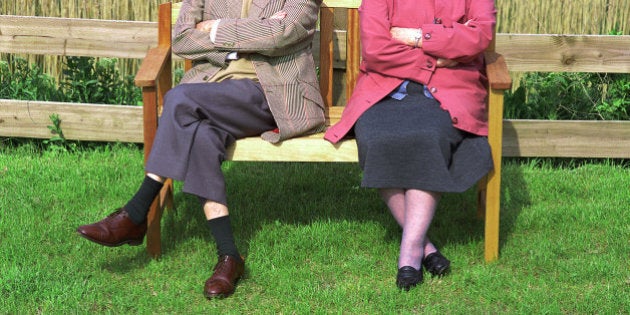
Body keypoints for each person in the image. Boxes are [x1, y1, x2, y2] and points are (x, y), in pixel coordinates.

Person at [77, 0, 325, 299]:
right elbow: (182, 40)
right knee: (203, 136)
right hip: (210, 91)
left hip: (269, 96)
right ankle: (229, 256)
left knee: (178, 100)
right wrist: (253, 33)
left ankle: (136, 212)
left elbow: (281, 33)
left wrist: (217, 29)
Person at [324, 0, 496, 290]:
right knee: (379, 138)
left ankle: (410, 253)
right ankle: (426, 247)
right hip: (385, 90)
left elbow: (480, 36)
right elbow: (377, 49)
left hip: (449, 92)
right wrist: (441, 52)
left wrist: (417, 37)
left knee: (428, 137)